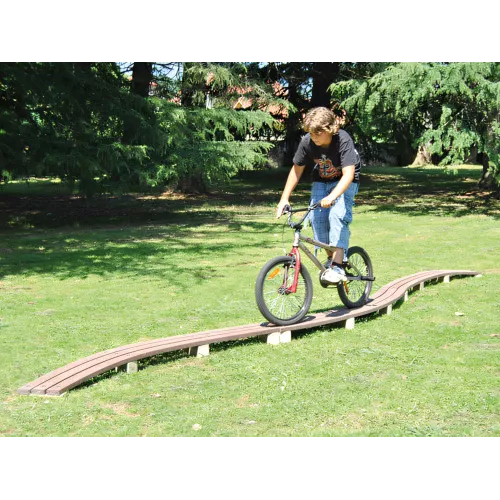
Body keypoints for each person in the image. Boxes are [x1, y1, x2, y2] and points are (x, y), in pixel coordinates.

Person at [276, 106, 361, 284]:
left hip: (345, 181)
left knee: (338, 215)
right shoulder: (307, 142)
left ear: (329, 129)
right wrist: (284, 198)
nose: (313, 137)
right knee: (317, 220)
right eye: (311, 133)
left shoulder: (343, 139)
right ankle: (332, 259)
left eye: (317, 133)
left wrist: (332, 197)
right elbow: (296, 170)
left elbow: (348, 175)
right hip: (321, 180)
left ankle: (338, 266)